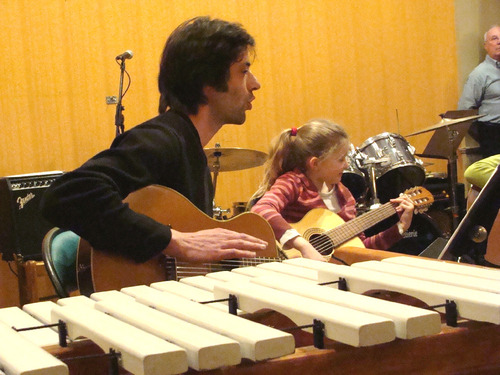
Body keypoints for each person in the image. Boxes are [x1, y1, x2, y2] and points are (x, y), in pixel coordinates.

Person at [40, 16, 267, 264]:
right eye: (244, 71)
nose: (255, 84)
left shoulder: (191, 150)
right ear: (207, 82)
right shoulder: (162, 140)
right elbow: (66, 196)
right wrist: (175, 242)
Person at [250, 119, 415, 261]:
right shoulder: (294, 182)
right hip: (289, 270)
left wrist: (400, 228)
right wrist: (302, 245)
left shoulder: (345, 196)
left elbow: (358, 249)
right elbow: (261, 209)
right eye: (340, 159)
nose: (347, 165)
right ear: (315, 164)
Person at [458, 25, 500, 158]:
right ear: (485, 45)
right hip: (493, 135)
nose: (499, 41)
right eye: (494, 38)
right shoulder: (480, 74)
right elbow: (464, 111)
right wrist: (483, 135)